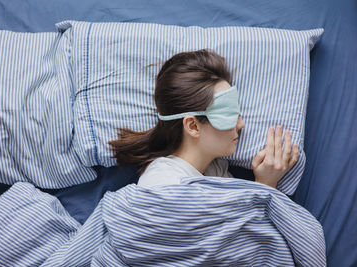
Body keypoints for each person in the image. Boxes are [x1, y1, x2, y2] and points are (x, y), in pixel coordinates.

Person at [108, 48, 299, 189]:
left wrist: (266, 183)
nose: (241, 124)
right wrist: (265, 184)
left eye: (238, 113)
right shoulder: (162, 182)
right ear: (192, 125)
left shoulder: (216, 172)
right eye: (229, 114)